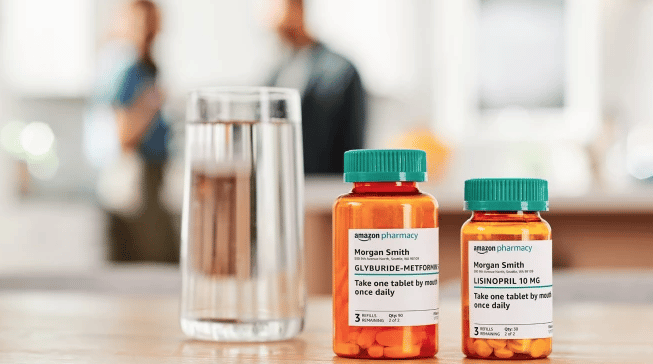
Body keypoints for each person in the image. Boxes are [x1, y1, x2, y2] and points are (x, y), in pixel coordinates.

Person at [88, 0, 177, 263]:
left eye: (150, 23)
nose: (146, 31)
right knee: (158, 261)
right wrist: (152, 102)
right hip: (139, 185)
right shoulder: (127, 71)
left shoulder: (147, 68)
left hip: (153, 181)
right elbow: (124, 135)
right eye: (139, 23)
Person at [266, 0, 366, 175]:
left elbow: (353, 146)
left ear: (298, 9)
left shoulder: (341, 71)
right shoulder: (275, 74)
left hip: (325, 189)